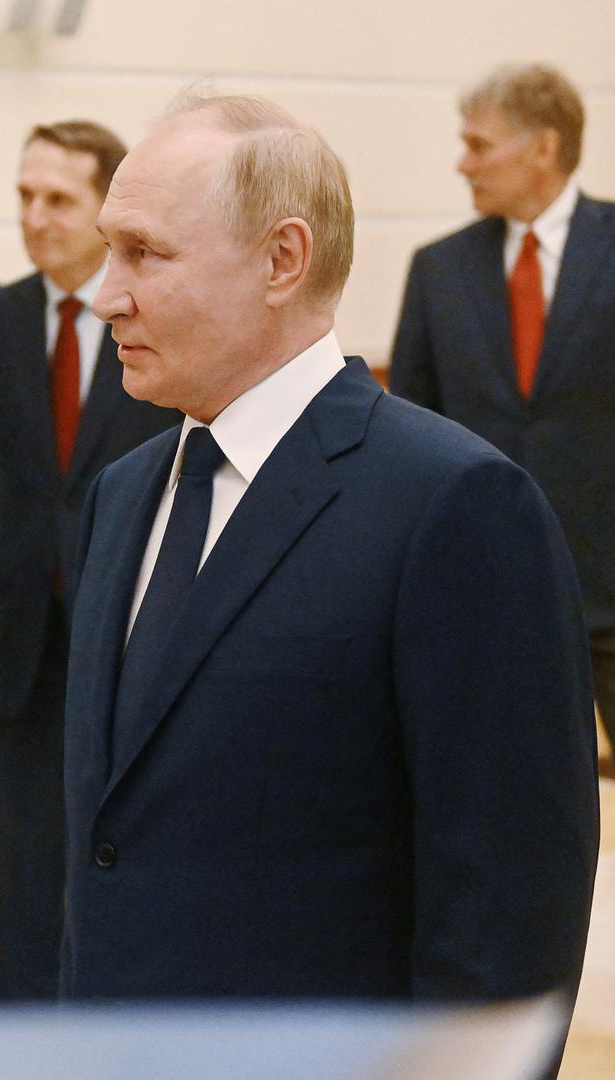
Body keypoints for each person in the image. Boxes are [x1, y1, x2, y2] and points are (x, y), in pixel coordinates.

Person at [65, 93, 598, 1020]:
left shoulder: (453, 505)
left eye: (143, 252)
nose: (106, 292)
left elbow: (507, 911)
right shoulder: (123, 494)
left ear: (282, 259)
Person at [0, 121, 177, 1002]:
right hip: (19, 631)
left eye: (57, 199)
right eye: (23, 196)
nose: (35, 216)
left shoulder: (156, 321)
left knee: (119, 846)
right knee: (24, 859)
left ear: (105, 211)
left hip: (127, 625)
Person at [390, 63, 615, 755]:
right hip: (482, 583)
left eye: (479, 145)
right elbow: (410, 425)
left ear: (543, 148)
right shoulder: (438, 269)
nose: (463, 163)